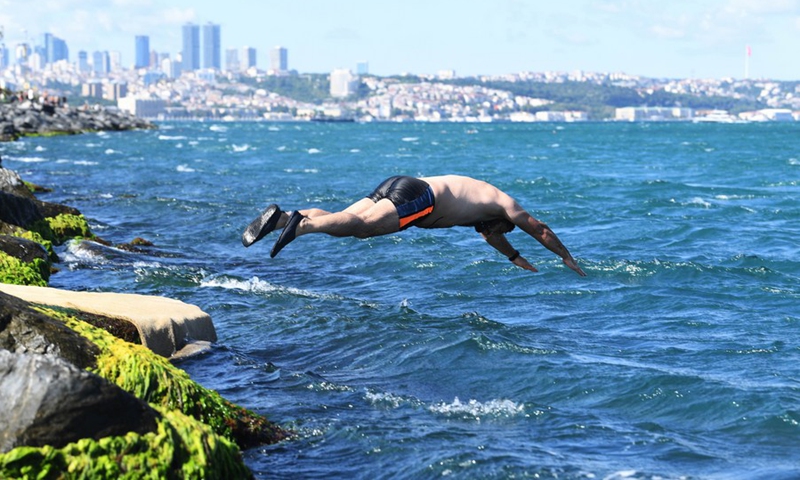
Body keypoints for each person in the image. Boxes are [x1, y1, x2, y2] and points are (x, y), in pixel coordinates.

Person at [242, 175, 586, 276]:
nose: (499, 233)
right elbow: (538, 228)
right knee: (362, 227)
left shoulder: (483, 211)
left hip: (400, 183)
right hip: (421, 198)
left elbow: (492, 237)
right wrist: (566, 257)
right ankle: (301, 226)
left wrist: (514, 258)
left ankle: (285, 218)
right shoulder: (503, 204)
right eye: (505, 229)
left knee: (345, 216)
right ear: (503, 222)